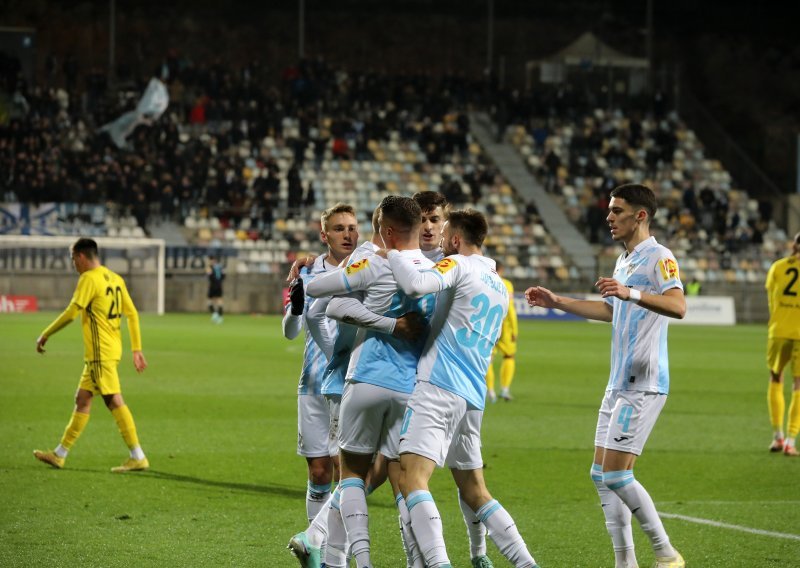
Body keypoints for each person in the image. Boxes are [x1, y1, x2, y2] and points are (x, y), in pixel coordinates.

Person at [525, 183, 686, 568]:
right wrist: (558, 301)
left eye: (617, 211)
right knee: (601, 474)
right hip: (618, 382)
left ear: (640, 215)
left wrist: (631, 293)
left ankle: (666, 554)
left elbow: (678, 306)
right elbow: (612, 311)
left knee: (616, 476)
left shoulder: (659, 257)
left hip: (644, 382)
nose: (609, 217)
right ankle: (624, 561)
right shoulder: (624, 260)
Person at [388, 209, 539, 568]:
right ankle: (526, 563)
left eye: (444, 235)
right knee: (474, 490)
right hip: (472, 396)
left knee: (411, 478)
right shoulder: (499, 285)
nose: (440, 241)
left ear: (456, 239)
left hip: (439, 385)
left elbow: (416, 285)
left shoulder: (459, 264)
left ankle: (439, 563)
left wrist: (392, 252)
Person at [304, 195, 435, 568]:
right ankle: (421, 561)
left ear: (387, 231)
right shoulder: (437, 271)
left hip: (367, 379)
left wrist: (324, 266)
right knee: (406, 483)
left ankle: (360, 562)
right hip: (411, 388)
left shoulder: (374, 262)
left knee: (351, 477)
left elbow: (319, 294)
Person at [33, 237, 149, 473]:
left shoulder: (88, 278)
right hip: (110, 349)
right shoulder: (115, 278)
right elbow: (132, 314)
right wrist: (136, 349)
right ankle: (60, 454)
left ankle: (137, 455)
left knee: (113, 400)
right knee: (83, 398)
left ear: (81, 256)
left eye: (73, 259)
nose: (73, 264)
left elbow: (71, 313)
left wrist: (45, 334)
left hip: (100, 353)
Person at [282, 203, 358, 534]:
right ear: (324, 235)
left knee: (344, 470)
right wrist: (296, 309)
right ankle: (318, 546)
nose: (347, 234)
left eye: (352, 228)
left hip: (349, 384)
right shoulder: (308, 272)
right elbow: (290, 332)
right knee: (318, 472)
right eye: (339, 228)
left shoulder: (368, 268)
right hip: (312, 382)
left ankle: (336, 547)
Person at [765, 232, 800, 457]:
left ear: (794, 245)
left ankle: (777, 436)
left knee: (776, 378)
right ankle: (791, 440)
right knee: (799, 385)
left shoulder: (777, 267)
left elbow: (771, 299)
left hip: (779, 331)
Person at [486, 260, 518, 402]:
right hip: (504, 325)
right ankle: (504, 390)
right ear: (501, 269)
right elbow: (510, 309)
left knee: (488, 359)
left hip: (488, 323)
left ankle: (490, 391)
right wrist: (514, 330)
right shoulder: (506, 284)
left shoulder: (484, 281)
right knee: (509, 356)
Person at [206, 255, 225, 323]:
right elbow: (223, 276)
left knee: (209, 301)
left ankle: (214, 314)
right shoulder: (220, 267)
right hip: (219, 285)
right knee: (219, 301)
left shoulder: (210, 267)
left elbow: (209, 276)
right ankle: (220, 316)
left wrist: (209, 272)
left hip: (213, 285)